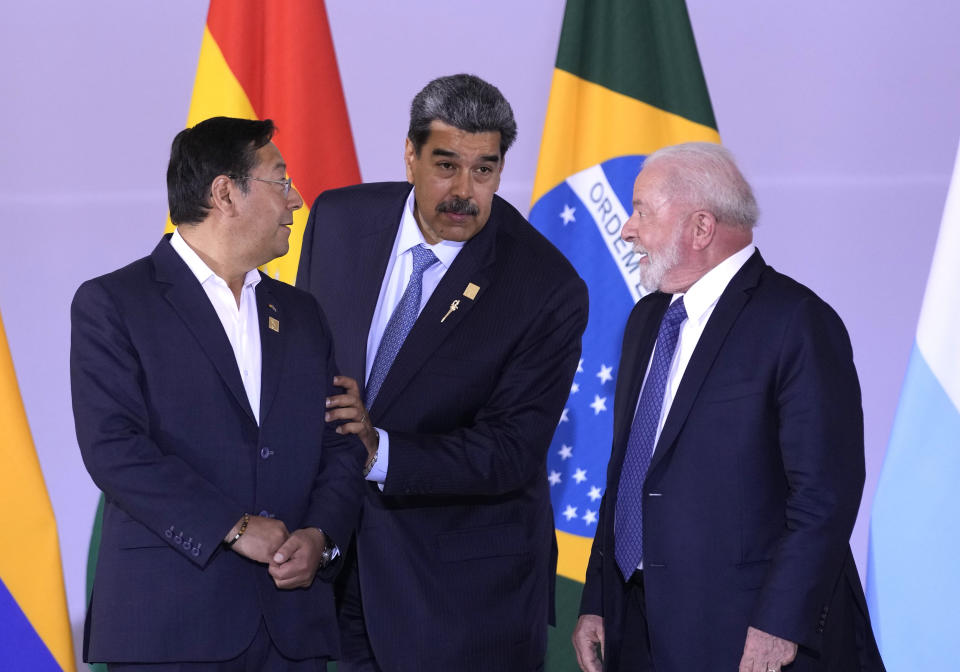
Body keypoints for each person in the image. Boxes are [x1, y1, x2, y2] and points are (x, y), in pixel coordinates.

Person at [296, 73, 589, 671]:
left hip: (459, 599)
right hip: (332, 570)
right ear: (410, 155)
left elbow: (510, 449)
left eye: (485, 170)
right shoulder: (339, 219)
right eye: (446, 165)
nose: (464, 190)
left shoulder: (544, 285)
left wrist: (379, 450)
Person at [572, 143, 885, 672]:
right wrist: (598, 600)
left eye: (643, 211)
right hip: (636, 630)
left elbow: (824, 496)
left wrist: (781, 623)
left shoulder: (797, 322)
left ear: (700, 228)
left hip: (743, 635)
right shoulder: (646, 319)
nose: (628, 229)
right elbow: (629, 473)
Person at [71, 116, 366, 671]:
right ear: (225, 193)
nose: (296, 200)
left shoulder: (302, 315)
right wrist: (233, 527)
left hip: (292, 629)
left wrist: (321, 536)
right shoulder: (115, 303)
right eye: (281, 180)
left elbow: (343, 442)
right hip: (170, 626)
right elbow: (114, 450)